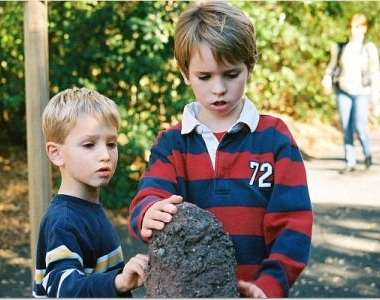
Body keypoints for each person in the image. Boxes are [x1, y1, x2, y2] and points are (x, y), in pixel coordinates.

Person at [128, 2, 313, 298]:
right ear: (185, 73)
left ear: (250, 68)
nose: (218, 88)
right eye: (205, 77)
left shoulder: (274, 138)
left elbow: (294, 224)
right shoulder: (172, 143)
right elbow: (150, 194)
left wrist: (270, 285)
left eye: (230, 74)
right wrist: (148, 211)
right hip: (187, 292)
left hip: (256, 290)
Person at [33, 87, 148, 297]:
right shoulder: (64, 220)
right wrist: (118, 281)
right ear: (56, 153)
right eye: (89, 145)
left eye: (111, 144)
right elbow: (64, 290)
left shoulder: (87, 210)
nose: (105, 155)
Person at [322, 13, 380, 174]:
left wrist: (375, 96)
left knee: (360, 126)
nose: (352, 30)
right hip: (343, 90)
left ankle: (367, 153)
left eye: (356, 26)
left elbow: (375, 73)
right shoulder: (341, 47)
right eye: (350, 26)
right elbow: (332, 66)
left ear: (364, 28)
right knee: (346, 126)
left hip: (362, 91)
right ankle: (350, 161)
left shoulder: (369, 48)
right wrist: (326, 79)